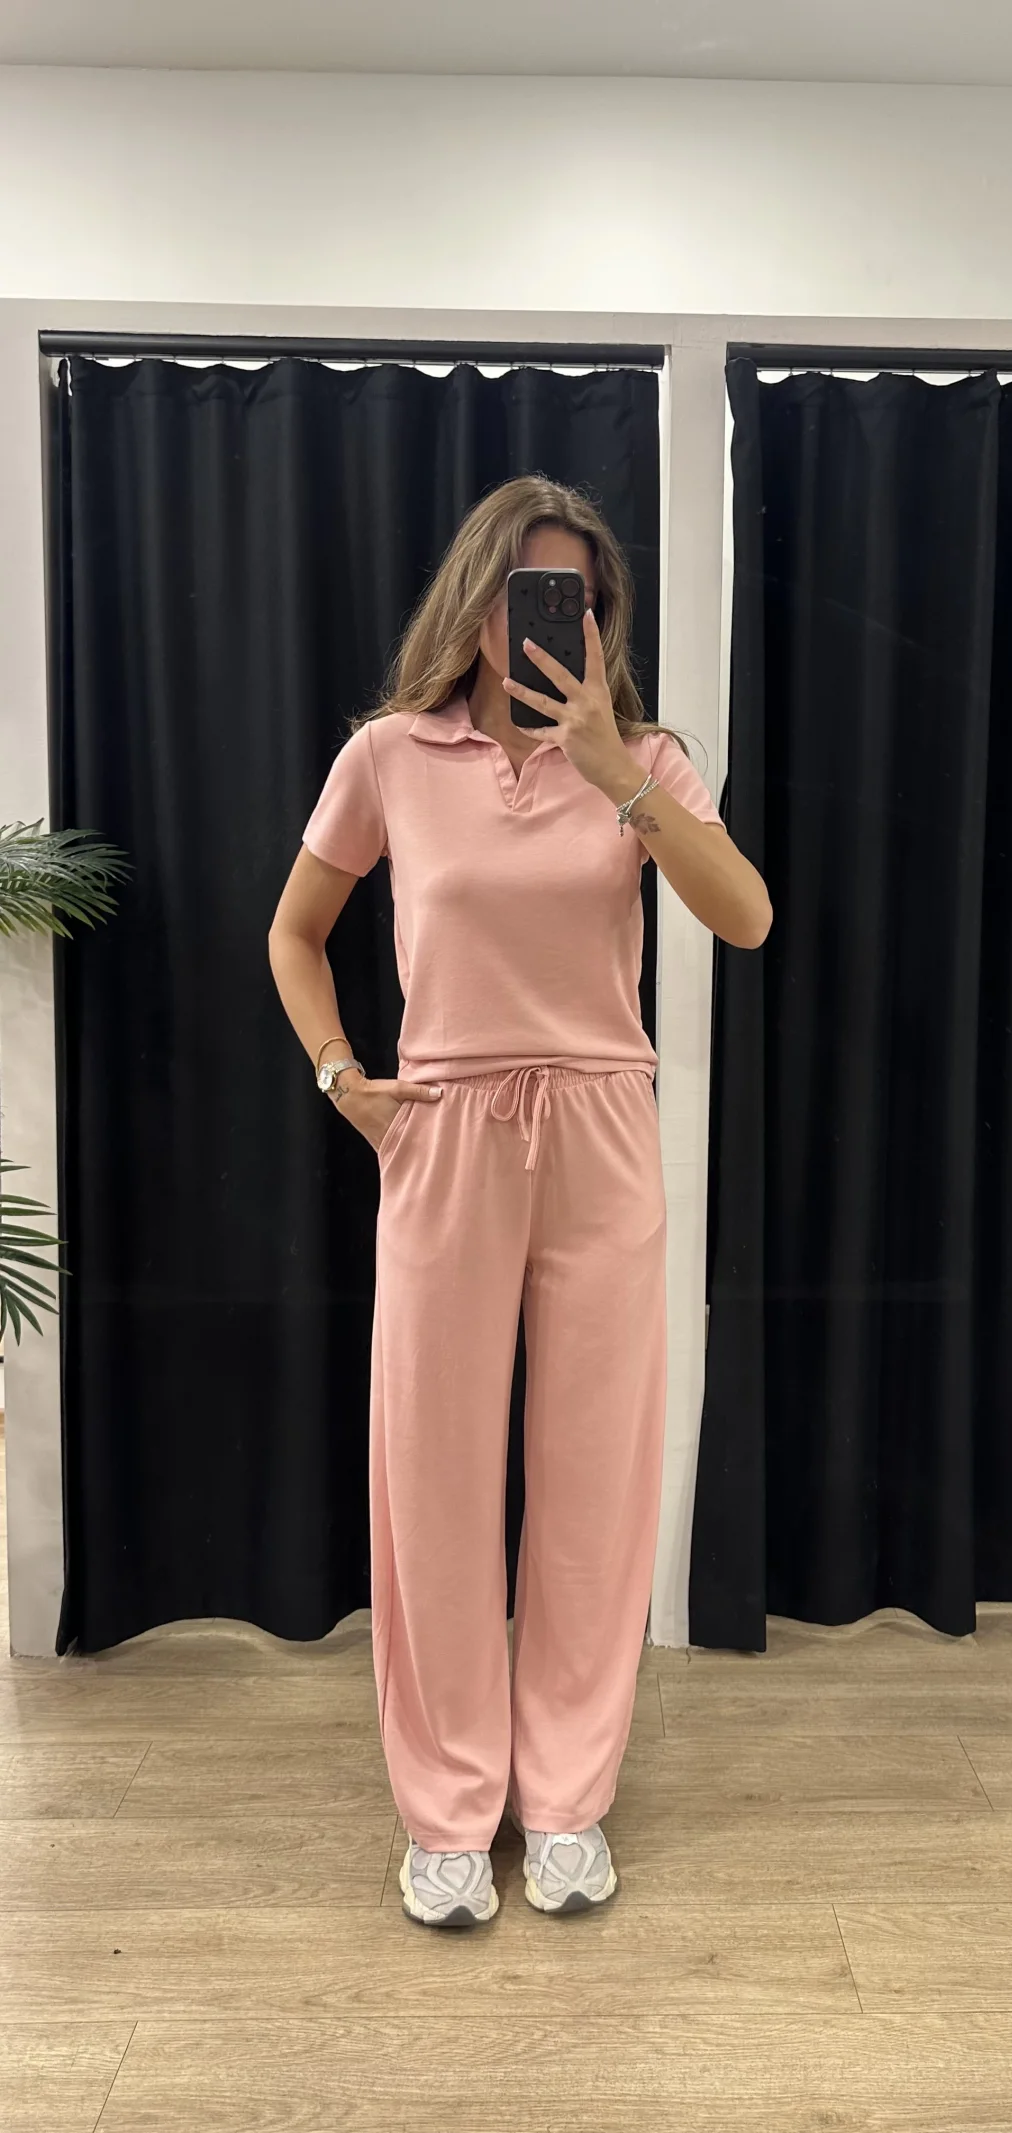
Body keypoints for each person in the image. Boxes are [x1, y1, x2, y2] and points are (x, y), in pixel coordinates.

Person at [268, 474, 771, 1929]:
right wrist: (341, 1076)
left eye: (577, 601)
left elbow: (745, 916)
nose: (546, 622)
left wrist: (613, 765)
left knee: (595, 1476)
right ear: (473, 599)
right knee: (430, 1472)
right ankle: (445, 1808)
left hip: (603, 1123)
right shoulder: (389, 754)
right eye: (522, 593)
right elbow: (297, 933)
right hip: (446, 1130)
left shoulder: (646, 760)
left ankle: (565, 1799)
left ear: (600, 620)